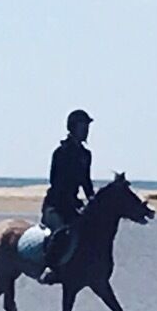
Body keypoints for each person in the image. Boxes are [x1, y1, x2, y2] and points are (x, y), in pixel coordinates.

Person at [35, 109, 96, 284]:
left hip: (73, 205)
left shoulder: (85, 155)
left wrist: (92, 201)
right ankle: (50, 267)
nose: (86, 130)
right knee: (62, 231)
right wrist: (70, 202)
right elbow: (56, 182)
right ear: (73, 127)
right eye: (83, 126)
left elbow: (86, 182)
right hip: (55, 205)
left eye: (87, 127)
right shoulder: (61, 152)